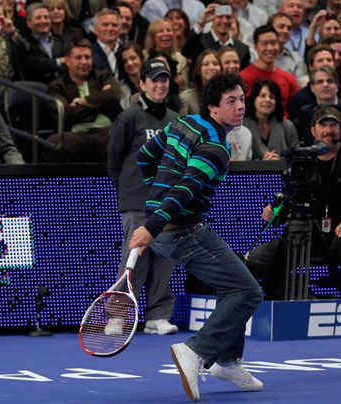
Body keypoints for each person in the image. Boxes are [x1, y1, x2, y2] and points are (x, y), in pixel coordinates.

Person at [129, 74, 264, 401]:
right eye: (230, 101)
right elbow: (186, 190)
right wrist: (154, 225)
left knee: (232, 282)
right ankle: (198, 351)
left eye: (241, 99)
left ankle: (228, 361)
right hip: (181, 231)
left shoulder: (183, 122)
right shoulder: (217, 148)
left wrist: (156, 200)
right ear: (214, 107)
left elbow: (145, 156)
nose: (240, 106)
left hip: (167, 226)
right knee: (248, 292)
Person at [246, 104, 341, 299]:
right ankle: (303, 298)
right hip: (309, 237)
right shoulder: (302, 163)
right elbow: (291, 203)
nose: (328, 130)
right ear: (313, 130)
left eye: (333, 125)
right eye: (323, 125)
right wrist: (273, 212)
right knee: (258, 258)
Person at [107, 59, 180, 336]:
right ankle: (118, 316)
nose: (160, 85)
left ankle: (158, 316)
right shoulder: (128, 117)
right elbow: (114, 161)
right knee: (133, 260)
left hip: (168, 203)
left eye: (164, 79)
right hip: (137, 201)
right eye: (154, 80)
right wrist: (129, 191)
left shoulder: (176, 120)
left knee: (164, 260)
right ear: (142, 84)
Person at [47, 38, 122, 162]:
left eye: (87, 57)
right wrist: (101, 101)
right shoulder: (57, 86)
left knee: (122, 141)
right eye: (79, 57)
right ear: (67, 60)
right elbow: (64, 114)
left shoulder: (103, 76)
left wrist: (82, 102)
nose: (84, 62)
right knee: (54, 142)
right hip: (76, 134)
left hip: (106, 132)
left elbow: (114, 94)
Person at [242, 79, 299, 160]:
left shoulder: (287, 126)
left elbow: (296, 157)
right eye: (262, 96)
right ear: (254, 99)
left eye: (272, 97)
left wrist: (280, 161)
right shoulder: (242, 126)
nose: (268, 100)